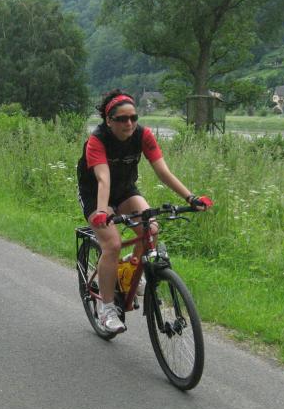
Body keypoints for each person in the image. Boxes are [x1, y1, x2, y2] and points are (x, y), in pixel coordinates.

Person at [77, 89, 213, 334]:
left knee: (151, 228)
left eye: (133, 117)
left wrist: (190, 197)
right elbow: (103, 179)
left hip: (125, 190)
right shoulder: (97, 140)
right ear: (109, 120)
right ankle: (107, 309)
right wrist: (102, 211)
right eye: (122, 119)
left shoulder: (143, 135)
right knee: (112, 244)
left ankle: (132, 270)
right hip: (95, 194)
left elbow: (163, 172)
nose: (129, 123)